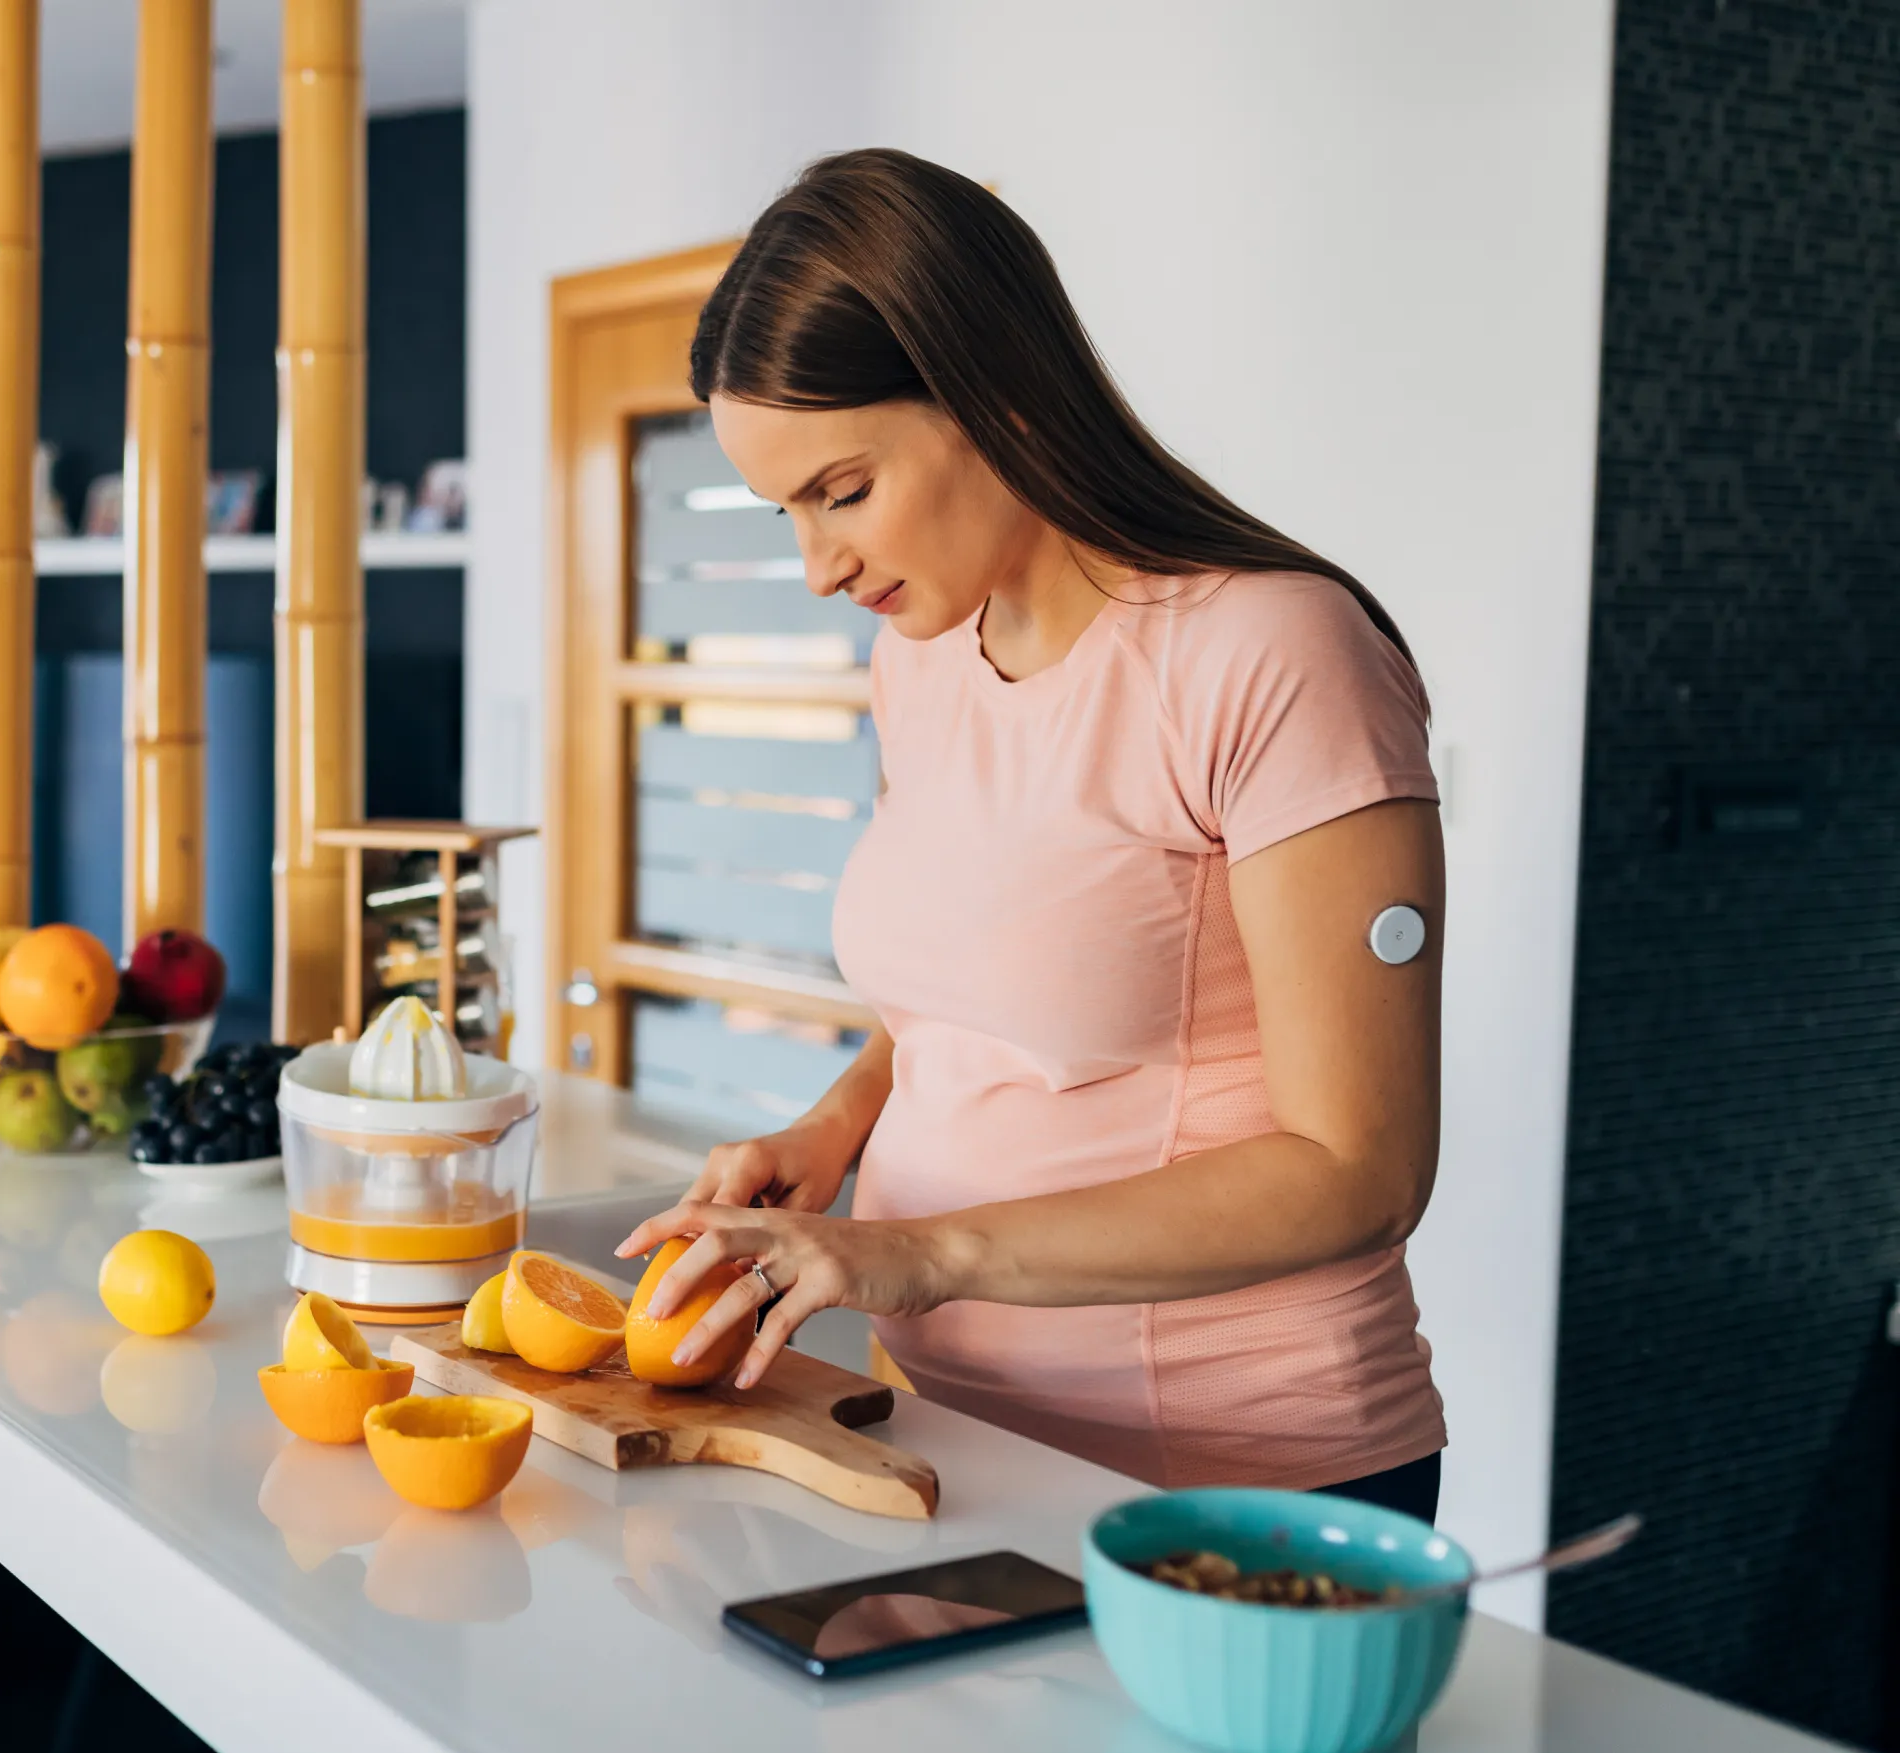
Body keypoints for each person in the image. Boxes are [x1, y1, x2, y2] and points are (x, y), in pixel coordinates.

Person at [616, 148, 1447, 1522]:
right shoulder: (928, 650)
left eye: (843, 490)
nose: (817, 568)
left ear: (992, 391)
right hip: (956, 1438)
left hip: (1224, 1480)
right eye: (785, 514)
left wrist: (919, 1249)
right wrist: (839, 1126)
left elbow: (1360, 1168)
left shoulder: (1274, 654)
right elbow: (986, 990)